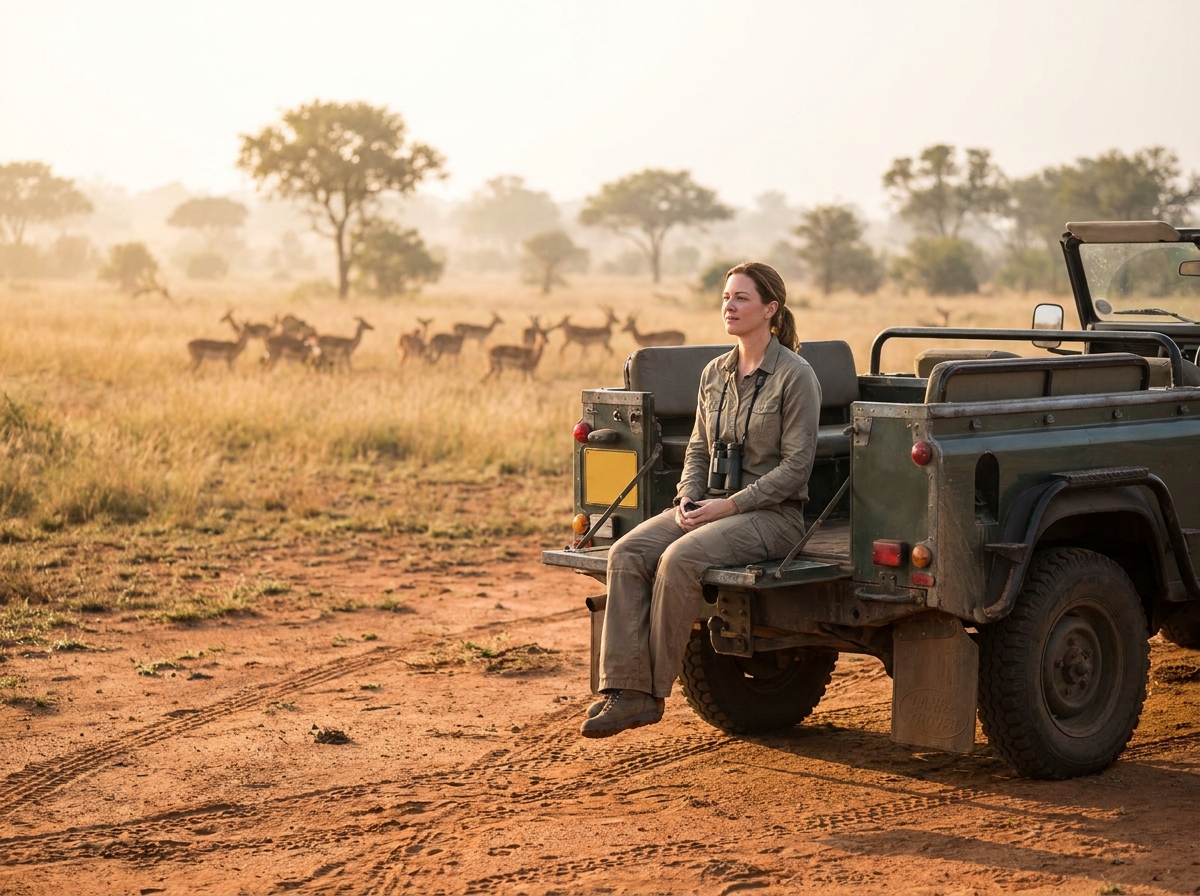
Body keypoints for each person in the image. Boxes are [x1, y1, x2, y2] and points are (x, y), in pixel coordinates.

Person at [581, 261, 822, 738]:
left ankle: (650, 694)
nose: (728, 307)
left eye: (741, 298)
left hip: (772, 516)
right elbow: (697, 447)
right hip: (709, 504)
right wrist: (688, 495)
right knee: (627, 552)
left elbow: (796, 468)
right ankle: (624, 690)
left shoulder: (796, 376)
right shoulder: (714, 372)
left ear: (771, 309)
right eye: (726, 297)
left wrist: (728, 506)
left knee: (679, 559)